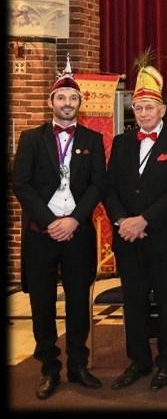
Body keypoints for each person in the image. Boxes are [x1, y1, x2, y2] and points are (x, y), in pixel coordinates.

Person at [12, 58, 106, 400]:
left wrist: (74, 220)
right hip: (42, 234)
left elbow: (98, 185)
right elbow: (21, 184)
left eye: (73, 98)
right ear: (50, 101)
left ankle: (78, 365)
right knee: (43, 303)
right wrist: (51, 222)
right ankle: (49, 368)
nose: (67, 103)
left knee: (79, 301)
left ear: (81, 103)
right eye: (62, 98)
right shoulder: (31, 138)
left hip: (77, 233)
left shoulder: (93, 139)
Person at [106, 62, 167, 392]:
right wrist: (122, 220)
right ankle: (138, 360)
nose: (143, 113)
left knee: (166, 300)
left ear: (162, 109)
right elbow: (109, 188)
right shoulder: (122, 142)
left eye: (149, 107)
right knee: (133, 300)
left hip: (163, 237)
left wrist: (145, 220)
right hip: (127, 237)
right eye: (138, 108)